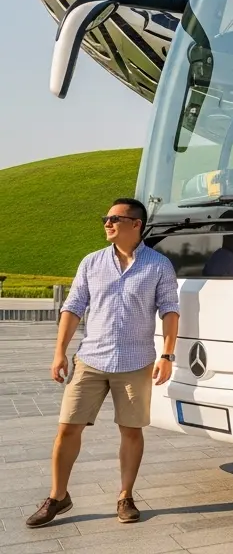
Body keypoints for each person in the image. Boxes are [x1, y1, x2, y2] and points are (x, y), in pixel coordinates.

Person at [26, 198, 179, 528]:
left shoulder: (158, 265)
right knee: (67, 428)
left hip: (136, 362)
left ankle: (125, 496)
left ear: (135, 225)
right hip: (91, 359)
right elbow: (73, 307)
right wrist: (59, 352)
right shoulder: (91, 263)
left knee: (131, 431)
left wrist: (167, 355)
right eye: (105, 218)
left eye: (114, 219)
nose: (107, 223)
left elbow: (169, 310)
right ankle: (57, 497)